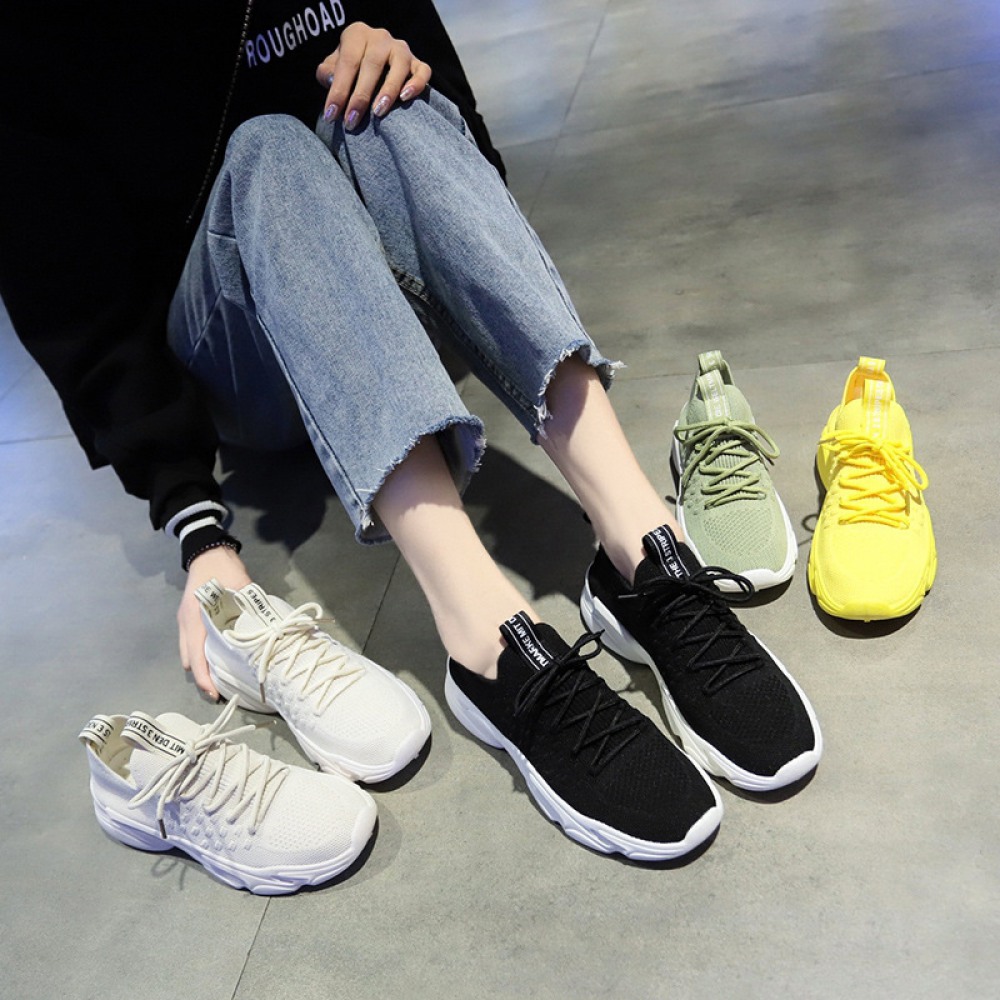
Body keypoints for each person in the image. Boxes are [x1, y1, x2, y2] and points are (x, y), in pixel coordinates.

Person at [0, 2, 820, 862]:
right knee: (268, 148)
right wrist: (196, 525)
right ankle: (484, 638)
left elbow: (467, 163)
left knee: (393, 99)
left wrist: (402, 56)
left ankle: (643, 550)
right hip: (243, 357)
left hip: (400, 314)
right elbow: (79, 305)